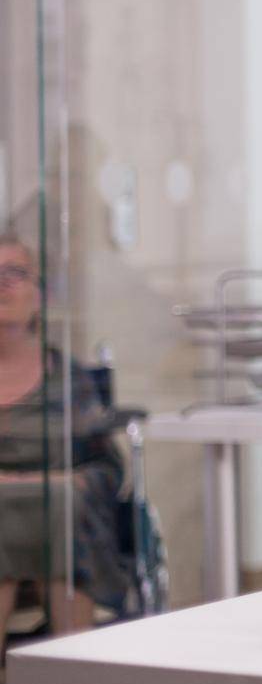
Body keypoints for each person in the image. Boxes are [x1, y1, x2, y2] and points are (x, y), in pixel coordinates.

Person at [0, 234, 129, 647]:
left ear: (38, 295)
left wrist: (73, 484)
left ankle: (75, 674)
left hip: (62, 512)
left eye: (14, 273)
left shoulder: (70, 378)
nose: (2, 285)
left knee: (63, 504)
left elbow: (108, 466)